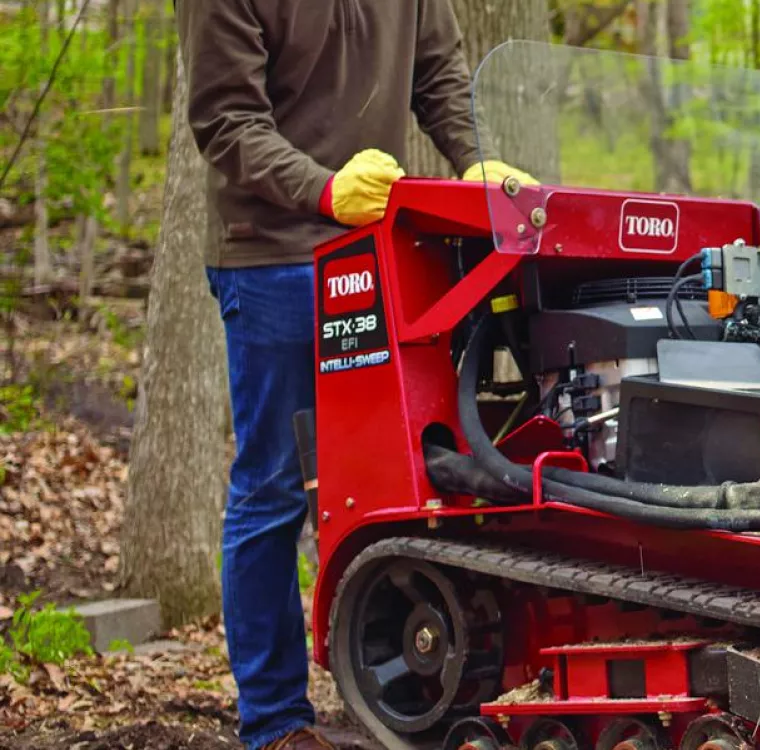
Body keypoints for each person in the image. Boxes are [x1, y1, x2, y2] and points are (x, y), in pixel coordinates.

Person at [180, 2, 524, 748]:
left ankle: (410, 679)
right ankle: (274, 722)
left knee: (407, 476)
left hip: (379, 246)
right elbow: (225, 120)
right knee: (273, 487)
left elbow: (438, 74)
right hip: (271, 252)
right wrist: (323, 188)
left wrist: (474, 159)